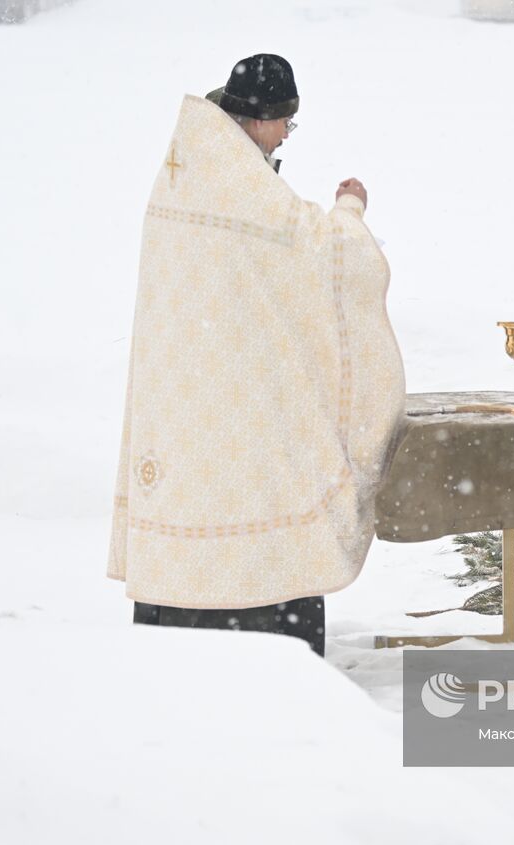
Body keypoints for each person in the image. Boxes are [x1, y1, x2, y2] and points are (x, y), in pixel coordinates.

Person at [107, 54, 406, 658]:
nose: (286, 138)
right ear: (264, 119)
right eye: (286, 127)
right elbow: (328, 257)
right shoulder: (236, 181)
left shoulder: (191, 164)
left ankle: (179, 628)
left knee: (202, 499)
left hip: (187, 391)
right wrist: (350, 209)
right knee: (262, 491)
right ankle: (265, 639)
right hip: (232, 393)